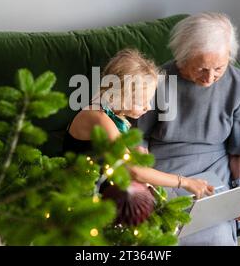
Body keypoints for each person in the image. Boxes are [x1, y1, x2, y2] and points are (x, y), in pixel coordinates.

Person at [134, 12, 240, 245]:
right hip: (167, 166)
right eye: (201, 68)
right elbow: (139, 138)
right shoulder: (159, 80)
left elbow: (239, 150)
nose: (210, 77)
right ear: (183, 58)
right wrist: (145, 180)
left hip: (214, 167)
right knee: (165, 232)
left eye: (219, 68)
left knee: (217, 235)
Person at [62, 48, 214, 199]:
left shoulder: (115, 112)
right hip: (84, 194)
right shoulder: (99, 118)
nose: (148, 107)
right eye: (142, 102)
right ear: (120, 95)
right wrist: (185, 182)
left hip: (108, 184)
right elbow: (134, 171)